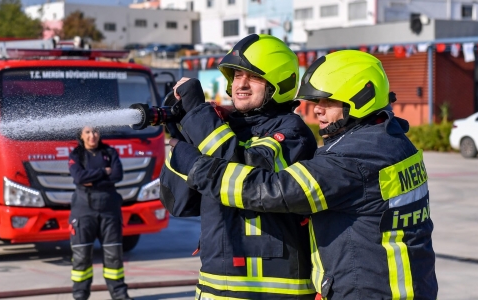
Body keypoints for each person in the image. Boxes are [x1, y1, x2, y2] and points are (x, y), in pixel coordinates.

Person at [169, 50, 438, 299]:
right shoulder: (391, 142)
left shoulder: (352, 159)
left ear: (362, 98)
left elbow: (267, 191)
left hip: (368, 291)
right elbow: (181, 203)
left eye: (328, 100)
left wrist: (195, 163)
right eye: (315, 101)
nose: (317, 109)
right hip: (397, 287)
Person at [161, 34, 318, 299]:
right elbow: (179, 204)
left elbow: (243, 170)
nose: (240, 84)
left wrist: (198, 115)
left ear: (279, 81)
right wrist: (184, 134)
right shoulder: (221, 132)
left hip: (273, 291)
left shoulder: (293, 133)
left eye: (253, 77)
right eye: (235, 76)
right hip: (214, 288)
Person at [68, 126, 132, 300]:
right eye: (87, 132)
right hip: (83, 211)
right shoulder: (76, 155)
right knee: (81, 256)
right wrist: (103, 172)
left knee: (114, 256)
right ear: (81, 135)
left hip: (109, 210)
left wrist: (92, 179)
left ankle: (119, 294)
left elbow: (117, 175)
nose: (92, 136)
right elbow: (79, 178)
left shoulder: (109, 152)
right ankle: (80, 295)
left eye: (95, 131)